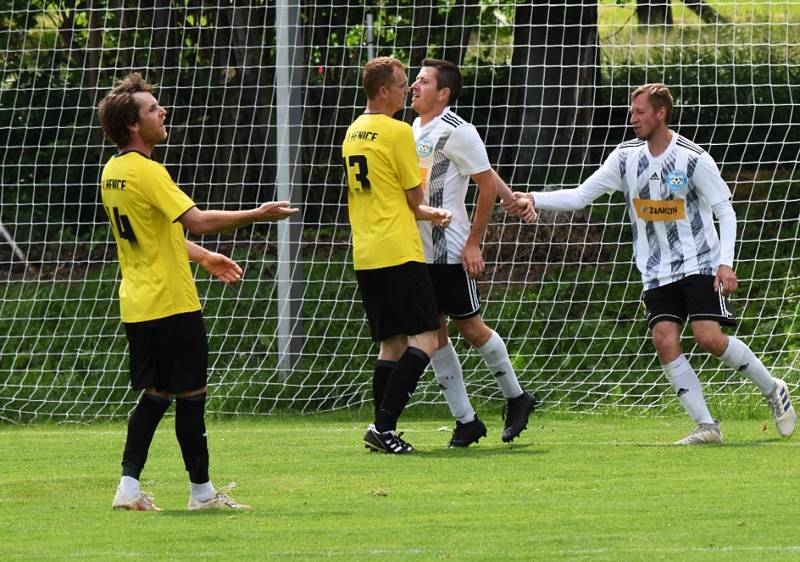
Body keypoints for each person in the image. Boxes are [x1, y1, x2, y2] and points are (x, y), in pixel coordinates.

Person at [505, 83, 796, 444]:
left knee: (708, 338)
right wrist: (534, 197)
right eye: (631, 112)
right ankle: (707, 426)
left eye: (640, 112)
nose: (633, 118)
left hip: (699, 262)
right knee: (664, 340)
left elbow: (724, 209)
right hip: (656, 269)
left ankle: (773, 388)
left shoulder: (692, 158)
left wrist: (725, 263)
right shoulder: (625, 158)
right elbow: (582, 195)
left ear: (661, 113)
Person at [98, 72, 299, 510]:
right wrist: (258, 214)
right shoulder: (148, 170)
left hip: (138, 303)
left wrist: (204, 256)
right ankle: (201, 494)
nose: (162, 111)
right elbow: (197, 219)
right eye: (153, 109)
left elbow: (157, 234)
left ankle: (128, 488)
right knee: (190, 396)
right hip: (171, 302)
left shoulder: (113, 171)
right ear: (134, 125)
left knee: (157, 394)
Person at [409, 59, 538, 447]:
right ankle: (466, 420)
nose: (415, 86)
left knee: (471, 328)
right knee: (433, 334)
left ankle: (517, 398)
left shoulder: (458, 130)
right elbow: (487, 174)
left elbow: (482, 182)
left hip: (450, 250)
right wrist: (511, 196)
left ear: (443, 92)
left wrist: (473, 242)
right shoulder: (413, 129)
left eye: (423, 81)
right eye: (414, 80)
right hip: (419, 251)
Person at [342, 56, 453, 454]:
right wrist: (430, 211)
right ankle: (384, 425)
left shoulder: (353, 131)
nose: (408, 89)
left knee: (391, 343)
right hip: (399, 250)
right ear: (384, 91)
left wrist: (422, 210)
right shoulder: (397, 132)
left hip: (367, 252)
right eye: (403, 83)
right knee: (426, 339)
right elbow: (413, 197)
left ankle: (381, 430)